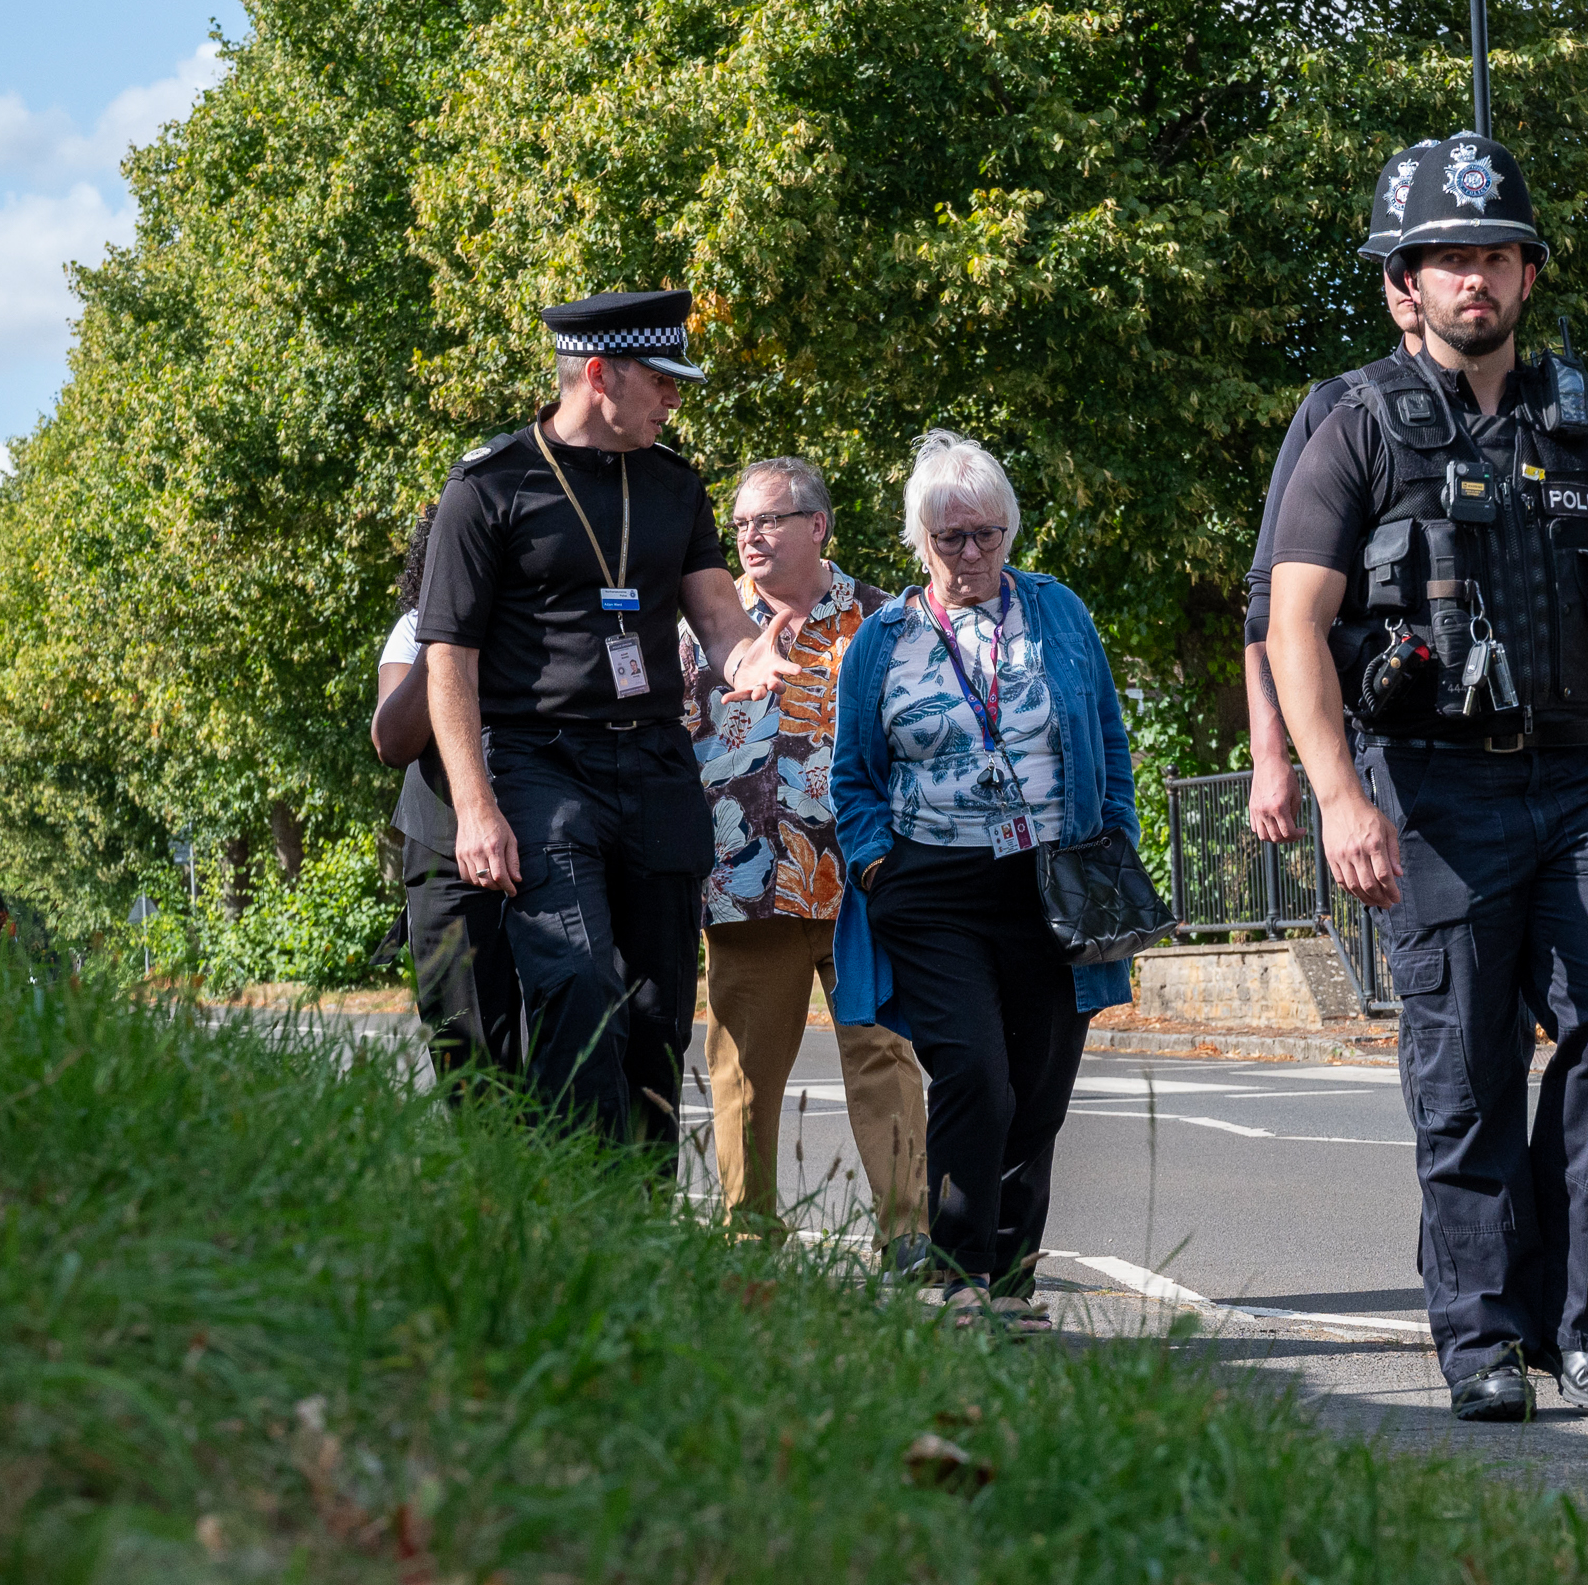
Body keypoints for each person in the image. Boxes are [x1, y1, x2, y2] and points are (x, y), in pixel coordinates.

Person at [1266, 133, 1588, 1422]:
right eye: (1448, 259)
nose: (1474, 277)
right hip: (1434, 791)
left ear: (1525, 275)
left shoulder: (1582, 424)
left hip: (1575, 781)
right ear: (1404, 285)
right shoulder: (1354, 424)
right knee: (1467, 1074)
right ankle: (1481, 1336)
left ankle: (1581, 1326)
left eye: (1496, 254)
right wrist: (1336, 792)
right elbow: (1292, 620)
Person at [415, 289, 795, 1156]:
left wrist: (747, 659)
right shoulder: (488, 487)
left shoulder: (675, 484)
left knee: (657, 1014)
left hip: (655, 769)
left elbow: (716, 618)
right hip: (541, 770)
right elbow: (449, 661)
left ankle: (641, 1245)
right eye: (662, 380)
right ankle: (578, 1215)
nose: (675, 398)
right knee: (578, 984)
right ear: (600, 373)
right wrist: (475, 807)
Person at [830, 430, 1136, 1329]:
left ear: (1010, 531)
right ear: (917, 542)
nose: (970, 555)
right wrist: (879, 864)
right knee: (973, 1071)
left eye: (986, 535)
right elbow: (853, 774)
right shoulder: (882, 640)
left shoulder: (1059, 612)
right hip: (933, 887)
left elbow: (1106, 737)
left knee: (1038, 1089)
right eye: (948, 539)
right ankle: (963, 1274)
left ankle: (1011, 1279)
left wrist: (1111, 844)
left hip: (1052, 880)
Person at [679, 456, 928, 1254]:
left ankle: (911, 1235)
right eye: (742, 522)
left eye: (769, 520)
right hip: (745, 880)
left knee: (883, 1052)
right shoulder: (704, 629)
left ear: (816, 526)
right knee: (743, 1068)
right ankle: (749, 1233)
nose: (749, 535)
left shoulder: (886, 621)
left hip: (860, 880)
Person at [1245, 143, 1433, 843]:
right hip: (1392, 753)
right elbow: (1269, 605)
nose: (1407, 284)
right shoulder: (1340, 412)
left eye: (1417, 263)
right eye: (1394, 266)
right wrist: (1272, 756)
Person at [372, 505, 523, 1080]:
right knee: (472, 1060)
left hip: (547, 837)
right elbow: (391, 742)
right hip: (446, 857)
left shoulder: (540, 617)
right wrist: (444, 638)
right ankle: (484, 1170)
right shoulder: (414, 628)